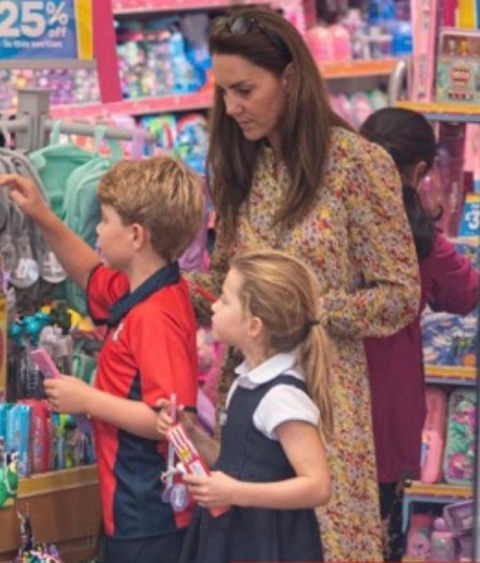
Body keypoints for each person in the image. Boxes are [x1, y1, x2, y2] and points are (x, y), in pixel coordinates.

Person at [188, 7, 421, 560]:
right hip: (246, 396)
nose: (232, 107)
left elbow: (400, 296)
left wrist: (313, 308)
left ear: (290, 78)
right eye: (223, 92)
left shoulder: (356, 167)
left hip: (324, 401)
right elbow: (223, 281)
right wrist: (152, 285)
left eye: (245, 89)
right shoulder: (240, 165)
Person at [0, 156, 204, 563]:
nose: (99, 231)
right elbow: (88, 274)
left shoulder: (156, 315)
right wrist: (40, 215)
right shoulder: (138, 286)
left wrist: (87, 400)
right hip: (130, 506)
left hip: (149, 514)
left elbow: (173, 422)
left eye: (105, 221)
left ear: (137, 235)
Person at [157, 250, 333, 562]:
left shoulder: (282, 396)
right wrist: (191, 434)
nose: (213, 305)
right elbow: (234, 461)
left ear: (254, 326)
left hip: (268, 544)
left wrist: (236, 493)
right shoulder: (246, 381)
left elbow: (317, 485)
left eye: (224, 300)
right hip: (236, 535)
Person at [360, 107, 479, 561]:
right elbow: (465, 292)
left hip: (321, 402)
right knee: (378, 533)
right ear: (422, 170)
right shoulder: (417, 235)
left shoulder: (330, 220)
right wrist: (433, 222)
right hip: (387, 410)